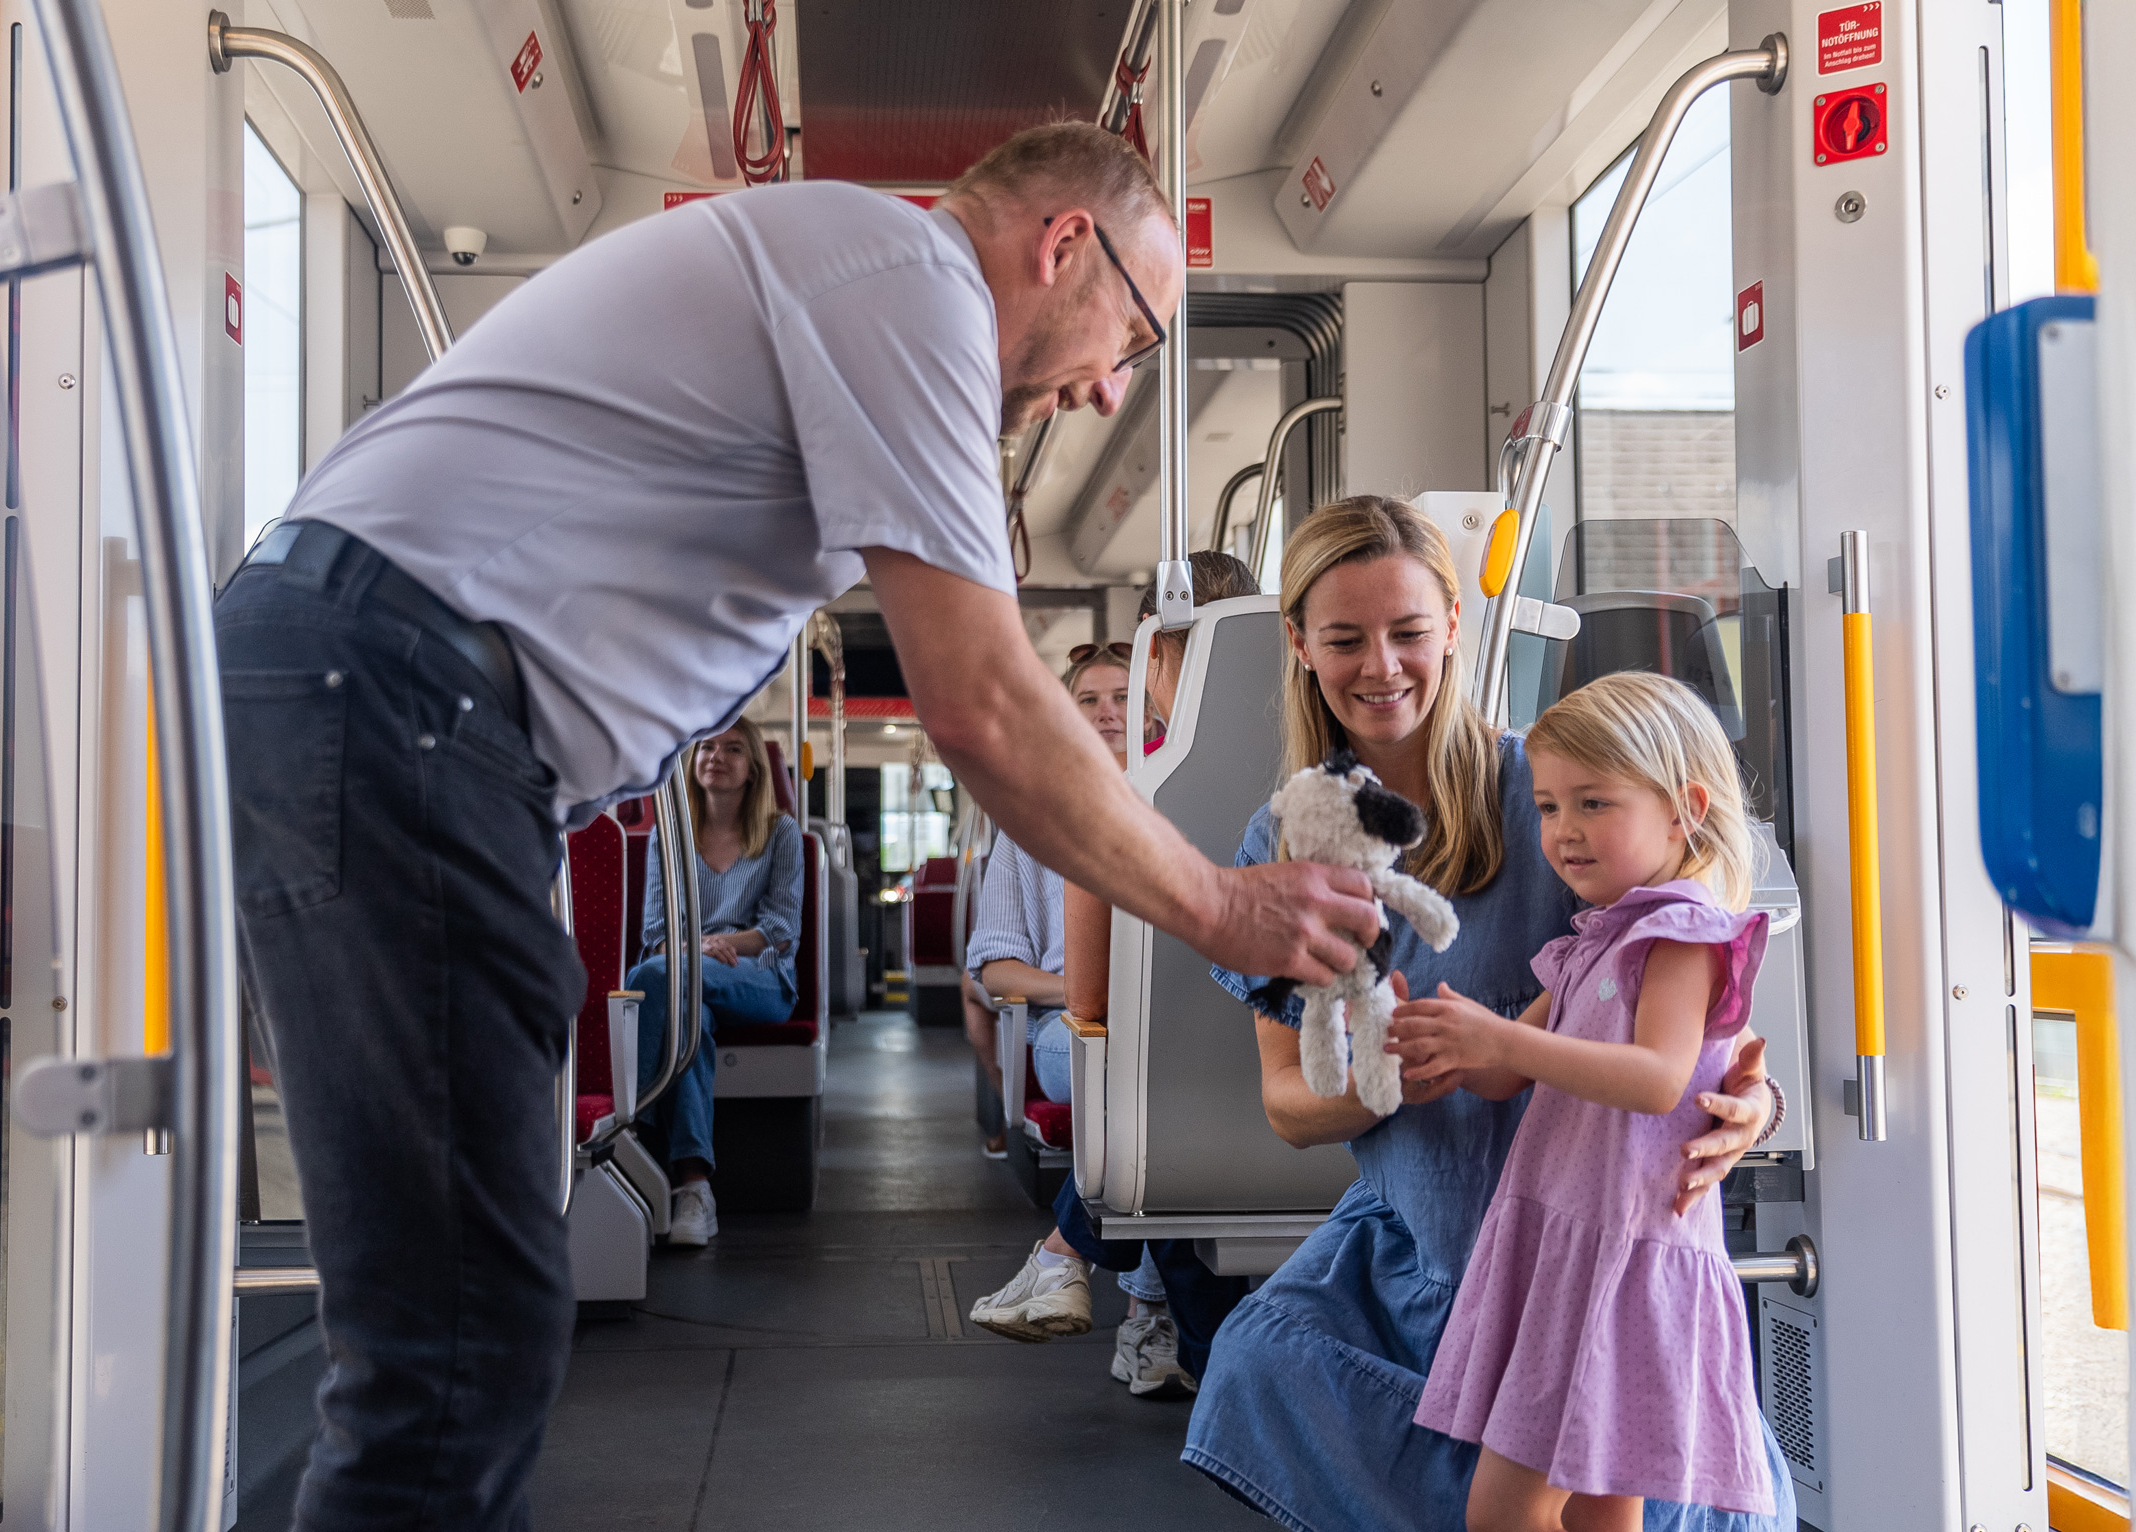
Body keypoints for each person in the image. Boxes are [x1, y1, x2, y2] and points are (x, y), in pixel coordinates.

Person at [219, 121, 1385, 1531]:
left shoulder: (859, 284)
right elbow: (988, 708)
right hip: (397, 706)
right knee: (454, 1331)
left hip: (412, 724)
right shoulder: (911, 285)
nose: (1104, 390)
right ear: (1061, 243)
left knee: (470, 1302)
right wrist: (1227, 907)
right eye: (1130, 334)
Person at [1175, 498, 1793, 1532]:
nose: (1382, 664)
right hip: (1419, 1241)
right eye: (1343, 637)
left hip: (1587, 1243)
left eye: (1409, 630)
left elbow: (1692, 1017)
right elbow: (1289, 1101)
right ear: (1297, 644)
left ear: (1453, 625)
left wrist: (1751, 1108)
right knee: (1255, 1366)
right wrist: (1390, 1078)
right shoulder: (1285, 839)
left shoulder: (1558, 799)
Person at [1390, 671, 1775, 1529]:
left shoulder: (1681, 935)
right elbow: (1505, 1076)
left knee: (1504, 1507)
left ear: (1685, 809)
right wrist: (1443, 1038)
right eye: (1550, 807)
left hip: (1618, 1250)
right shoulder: (1594, 939)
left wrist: (1504, 1042)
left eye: (1593, 803)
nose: (1563, 832)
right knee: (1603, 1504)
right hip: (1574, 1238)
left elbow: (1657, 1077)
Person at [968, 551, 1262, 1394]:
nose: (1109, 713)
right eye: (1089, 700)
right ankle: (1165, 1325)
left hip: (1162, 1027)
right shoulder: (1054, 805)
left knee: (1147, 1090)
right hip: (1129, 1019)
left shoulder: (1160, 788)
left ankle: (1086, 1265)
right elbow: (1006, 968)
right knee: (1137, 1073)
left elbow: (1119, 981)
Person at [624, 716, 804, 1247]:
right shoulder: (669, 833)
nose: (715, 756)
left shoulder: (780, 833)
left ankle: (630, 1130)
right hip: (683, 972)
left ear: (752, 769)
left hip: (759, 979)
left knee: (649, 980)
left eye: (732, 749)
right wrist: (693, 951)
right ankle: (695, 1187)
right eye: (705, 746)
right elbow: (657, 931)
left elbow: (781, 929)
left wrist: (709, 949)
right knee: (690, 1023)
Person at [964, 646, 1128, 1155]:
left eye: (1123, 697)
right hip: (1073, 1024)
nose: (1108, 711)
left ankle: (1076, 1232)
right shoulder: (1028, 829)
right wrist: (1085, 992)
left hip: (1170, 1019)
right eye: (1089, 700)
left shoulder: (1184, 805)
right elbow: (994, 971)